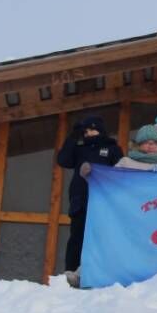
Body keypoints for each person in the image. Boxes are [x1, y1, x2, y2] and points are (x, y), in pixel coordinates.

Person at [56, 114, 123, 273]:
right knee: (77, 237)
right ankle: (71, 272)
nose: (89, 134)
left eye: (92, 130)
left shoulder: (112, 148)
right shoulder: (79, 148)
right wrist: (73, 136)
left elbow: (121, 172)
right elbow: (63, 160)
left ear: (100, 131)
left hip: (104, 201)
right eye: (85, 131)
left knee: (102, 237)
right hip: (80, 198)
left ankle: (101, 270)